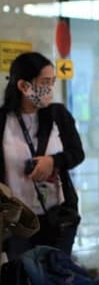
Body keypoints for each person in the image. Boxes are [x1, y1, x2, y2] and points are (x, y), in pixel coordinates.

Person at [0, 52, 84, 260]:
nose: (50, 88)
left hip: (57, 217)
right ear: (24, 86)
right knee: (24, 274)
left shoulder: (58, 115)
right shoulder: (3, 121)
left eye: (52, 82)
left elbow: (77, 153)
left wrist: (53, 161)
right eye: (45, 82)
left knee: (55, 273)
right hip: (17, 221)